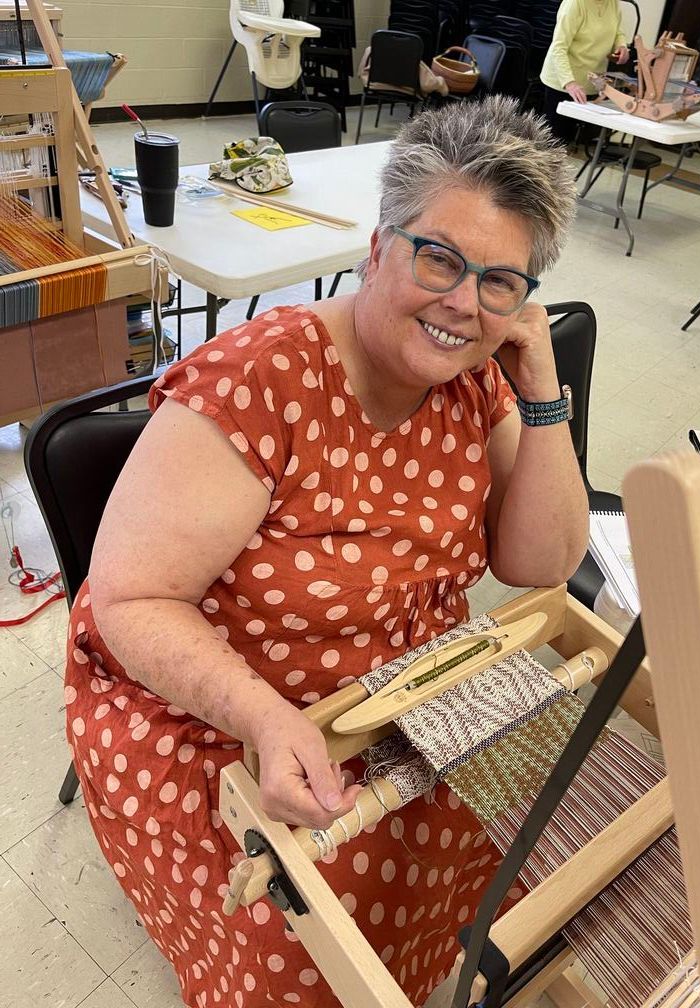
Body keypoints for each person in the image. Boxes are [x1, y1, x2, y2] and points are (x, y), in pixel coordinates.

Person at [64, 95, 588, 1008]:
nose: (464, 303)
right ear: (378, 247)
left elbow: (542, 562)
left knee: (544, 829)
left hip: (399, 681)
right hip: (215, 703)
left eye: (500, 282)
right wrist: (266, 718)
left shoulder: (476, 383)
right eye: (439, 257)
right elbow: (132, 601)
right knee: (305, 939)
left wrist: (539, 386)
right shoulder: (257, 385)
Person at [540, 0, 630, 144]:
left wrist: (621, 46)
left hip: (591, 82)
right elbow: (558, 47)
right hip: (563, 82)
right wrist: (570, 83)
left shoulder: (613, 3)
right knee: (552, 142)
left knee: (575, 141)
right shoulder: (574, 3)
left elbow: (618, 31)